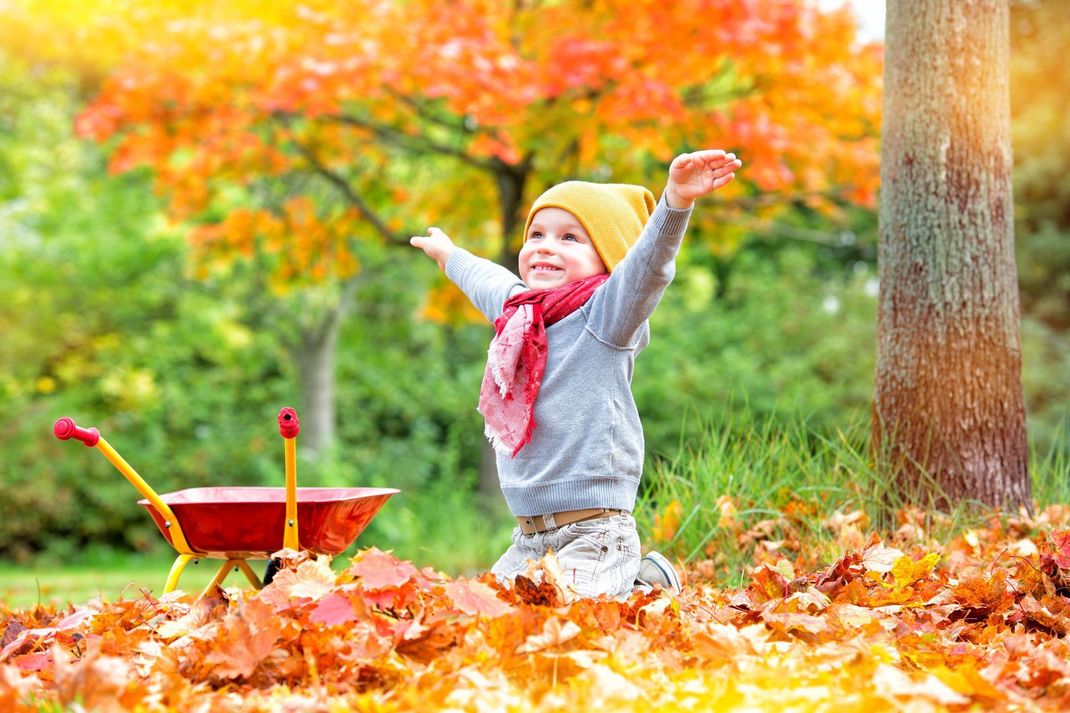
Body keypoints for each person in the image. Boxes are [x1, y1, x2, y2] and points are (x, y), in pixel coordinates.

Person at [410, 149, 742, 598]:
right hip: (528, 539)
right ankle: (643, 585)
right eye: (537, 234)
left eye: (569, 238)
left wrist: (675, 202)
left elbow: (648, 268)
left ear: (607, 258)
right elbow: (488, 281)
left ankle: (639, 586)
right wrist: (450, 256)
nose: (545, 245)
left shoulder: (607, 316)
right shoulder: (521, 315)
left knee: (564, 617)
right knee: (482, 614)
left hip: (595, 533)